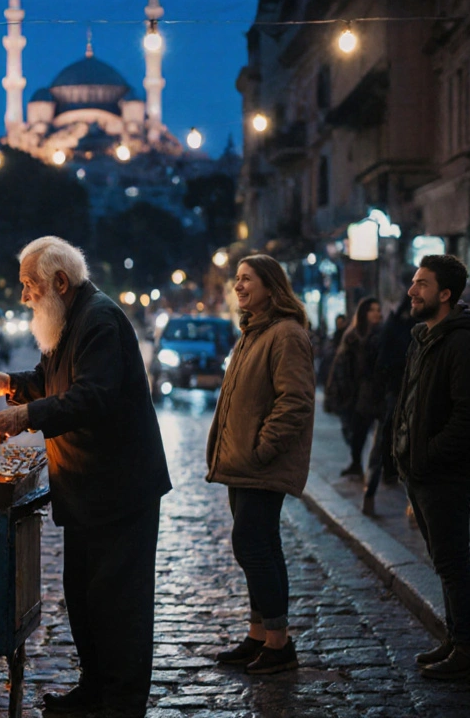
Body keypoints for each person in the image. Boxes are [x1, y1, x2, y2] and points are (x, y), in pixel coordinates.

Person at [0, 236, 170, 717]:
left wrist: (25, 417)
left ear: (59, 281)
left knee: (120, 602)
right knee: (85, 597)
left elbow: (91, 397)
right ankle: (94, 688)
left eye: (29, 285)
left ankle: (120, 702)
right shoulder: (67, 318)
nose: (24, 295)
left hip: (119, 488)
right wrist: (7, 385)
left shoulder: (99, 319)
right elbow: (47, 379)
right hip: (85, 488)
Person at [204, 255, 315, 675]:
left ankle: (279, 644)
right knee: (261, 546)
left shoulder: (286, 334)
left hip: (260, 464)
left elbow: (296, 400)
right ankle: (259, 636)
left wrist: (263, 448)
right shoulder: (253, 332)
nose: (238, 286)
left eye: (247, 279)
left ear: (271, 285)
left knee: (252, 545)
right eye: (237, 279)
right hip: (244, 462)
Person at [390, 255, 470, 681]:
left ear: (446, 294)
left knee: (454, 563)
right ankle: (456, 639)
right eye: (414, 282)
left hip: (445, 473)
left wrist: (430, 454)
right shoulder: (425, 337)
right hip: (421, 471)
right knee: (444, 562)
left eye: (422, 284)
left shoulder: (464, 343)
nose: (412, 291)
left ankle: (469, 650)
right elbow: (412, 400)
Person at [363, 294, 417, 515]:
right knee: (405, 448)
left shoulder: (393, 328)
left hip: (396, 394)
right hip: (399, 394)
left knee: (387, 447)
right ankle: (410, 505)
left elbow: (380, 366)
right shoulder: (407, 329)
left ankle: (371, 495)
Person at [325, 297, 383, 478]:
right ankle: (357, 463)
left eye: (378, 309)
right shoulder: (353, 336)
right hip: (356, 393)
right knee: (355, 431)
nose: (377, 313)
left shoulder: (382, 335)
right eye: (372, 309)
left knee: (379, 434)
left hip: (377, 391)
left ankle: (381, 469)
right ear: (364, 313)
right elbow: (341, 365)